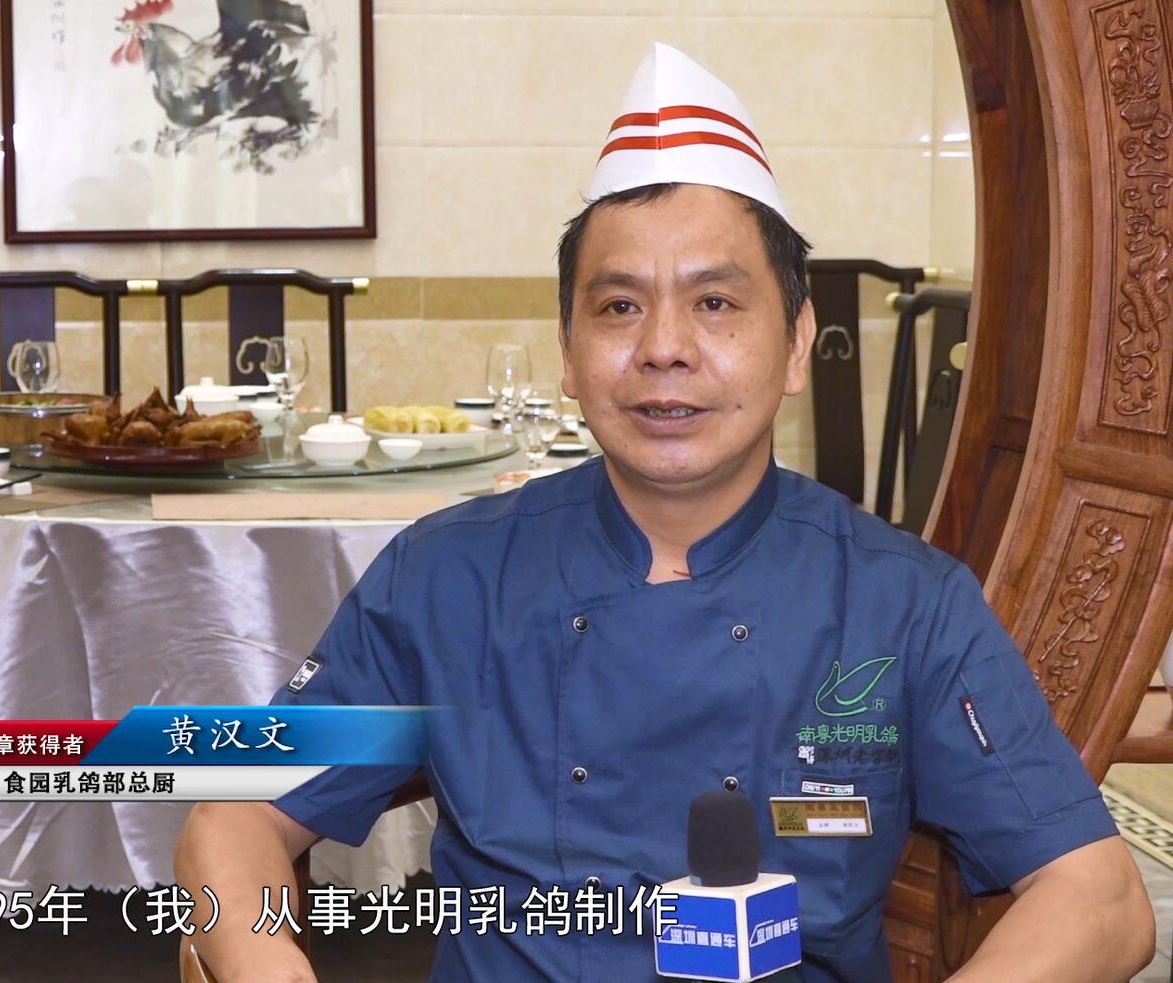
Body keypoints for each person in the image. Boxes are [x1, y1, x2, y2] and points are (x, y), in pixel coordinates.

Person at [174, 43, 1154, 982]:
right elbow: (236, 814)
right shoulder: (446, 576)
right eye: (619, 307)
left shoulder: (903, 602)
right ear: (568, 351)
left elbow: (1101, 900)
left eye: (716, 303)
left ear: (798, 342)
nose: (664, 348)